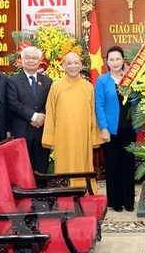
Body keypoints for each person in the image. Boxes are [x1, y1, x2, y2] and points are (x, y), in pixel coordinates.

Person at [42, 52, 102, 189]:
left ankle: (85, 191)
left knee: (83, 165)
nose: (73, 66)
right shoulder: (56, 86)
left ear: (81, 65)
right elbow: (50, 112)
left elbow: (93, 114)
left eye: (76, 63)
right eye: (69, 63)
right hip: (62, 137)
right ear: (63, 65)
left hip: (83, 136)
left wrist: (94, 137)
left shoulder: (88, 87)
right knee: (64, 166)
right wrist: (50, 139)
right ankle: (64, 194)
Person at [95, 46, 137, 212]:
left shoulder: (131, 79)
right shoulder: (102, 80)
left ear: (123, 60)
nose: (114, 62)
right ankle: (116, 202)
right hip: (111, 131)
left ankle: (129, 202)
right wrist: (103, 128)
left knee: (128, 165)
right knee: (113, 166)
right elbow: (99, 105)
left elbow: (139, 100)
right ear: (107, 62)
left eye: (117, 59)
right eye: (111, 59)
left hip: (129, 129)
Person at [7, 46, 53, 181]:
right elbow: (13, 103)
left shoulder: (47, 81)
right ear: (22, 60)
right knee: (22, 170)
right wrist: (34, 116)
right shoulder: (13, 81)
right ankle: (24, 200)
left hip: (42, 133)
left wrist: (42, 117)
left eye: (34, 58)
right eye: (27, 58)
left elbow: (51, 104)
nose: (31, 61)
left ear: (40, 61)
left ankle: (42, 200)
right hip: (22, 132)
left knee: (41, 170)